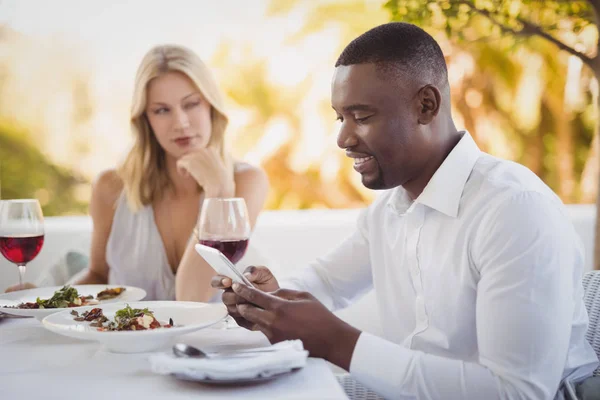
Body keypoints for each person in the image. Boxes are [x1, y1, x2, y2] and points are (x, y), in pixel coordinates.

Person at [213, 23, 599, 399]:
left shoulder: (513, 211)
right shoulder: (390, 213)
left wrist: (338, 342)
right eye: (340, 117)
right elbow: (325, 284)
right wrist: (269, 303)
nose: (343, 138)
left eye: (361, 117)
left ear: (426, 106)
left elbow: (517, 392)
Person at [7, 44, 269, 301]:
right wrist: (44, 300)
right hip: (126, 341)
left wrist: (219, 193)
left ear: (210, 106)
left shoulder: (245, 182)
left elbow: (191, 300)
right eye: (162, 110)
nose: (181, 123)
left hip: (210, 344)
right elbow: (99, 275)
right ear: (146, 118)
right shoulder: (111, 186)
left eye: (191, 104)